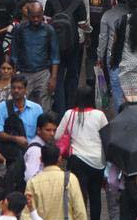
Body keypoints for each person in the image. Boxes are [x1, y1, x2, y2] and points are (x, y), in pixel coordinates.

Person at [56, 86, 109, 220]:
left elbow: (57, 136)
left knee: (79, 196)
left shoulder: (70, 114)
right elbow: (107, 137)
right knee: (95, 195)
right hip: (97, 162)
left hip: (77, 161)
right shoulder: (99, 115)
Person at [45, 0, 89, 115]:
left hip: (54, 43)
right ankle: (70, 107)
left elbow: (47, 21)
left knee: (56, 74)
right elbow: (83, 24)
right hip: (73, 43)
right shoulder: (78, 1)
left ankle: (60, 107)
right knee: (72, 74)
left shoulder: (51, 0)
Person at [10, 2, 59, 111]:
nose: (36, 19)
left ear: (42, 15)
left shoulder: (49, 30)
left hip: (42, 73)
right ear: (28, 15)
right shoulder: (20, 29)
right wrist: (13, 71)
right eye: (33, 17)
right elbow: (14, 52)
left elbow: (55, 56)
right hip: (24, 72)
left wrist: (53, 78)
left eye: (38, 16)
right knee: (23, 105)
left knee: (45, 107)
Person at [25, 143, 88, 220]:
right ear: (60, 159)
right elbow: (80, 212)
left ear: (41, 159)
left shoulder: (32, 182)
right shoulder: (70, 179)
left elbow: (26, 214)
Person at [24, 113, 60, 182]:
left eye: (54, 130)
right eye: (48, 130)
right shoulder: (36, 150)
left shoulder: (44, 146)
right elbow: (29, 177)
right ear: (38, 130)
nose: (52, 134)